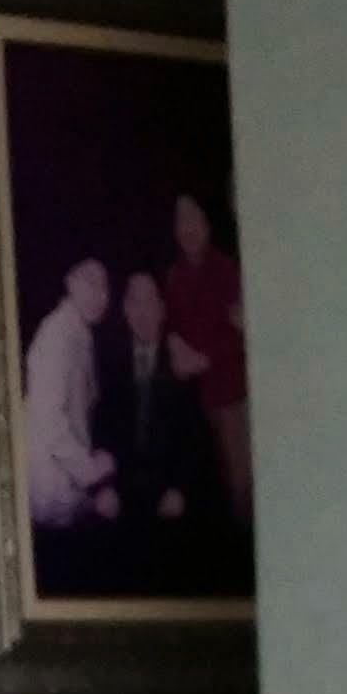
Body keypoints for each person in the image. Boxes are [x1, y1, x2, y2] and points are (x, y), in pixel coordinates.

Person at [98, 268, 214, 542]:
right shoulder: (110, 364)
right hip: (122, 494)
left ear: (161, 310)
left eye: (149, 301)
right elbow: (102, 429)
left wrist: (180, 489)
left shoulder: (181, 362)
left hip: (170, 494)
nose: (142, 311)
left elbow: (195, 437)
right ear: (125, 310)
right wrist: (104, 486)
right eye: (134, 302)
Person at [162, 187, 250, 523]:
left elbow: (243, 336)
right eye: (180, 220)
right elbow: (170, 323)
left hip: (231, 400)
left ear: (208, 224)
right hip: (195, 404)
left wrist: (205, 359)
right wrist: (173, 342)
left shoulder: (229, 271)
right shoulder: (173, 277)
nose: (187, 228)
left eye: (194, 218)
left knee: (241, 491)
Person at [22, 255, 117, 531]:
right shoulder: (56, 335)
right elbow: (49, 421)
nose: (98, 294)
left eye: (104, 286)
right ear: (70, 282)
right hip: (51, 493)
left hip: (68, 489)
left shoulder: (80, 334)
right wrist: (93, 477)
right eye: (89, 281)